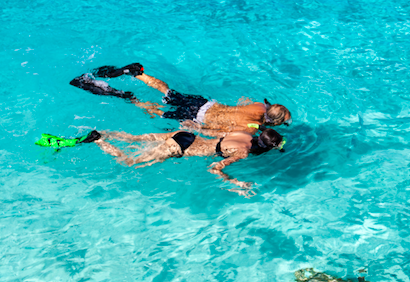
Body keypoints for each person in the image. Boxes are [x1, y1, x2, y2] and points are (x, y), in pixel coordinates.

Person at [36, 127, 286, 196]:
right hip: (179, 148)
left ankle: (100, 133)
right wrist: (235, 182)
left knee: (134, 138)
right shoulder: (243, 153)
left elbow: (213, 132)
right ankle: (99, 140)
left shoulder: (244, 133)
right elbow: (214, 167)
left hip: (184, 135)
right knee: (129, 162)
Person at [70, 63, 292, 134]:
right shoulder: (250, 128)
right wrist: (194, 129)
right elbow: (214, 131)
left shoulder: (256, 106)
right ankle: (126, 97)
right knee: (156, 110)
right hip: (197, 116)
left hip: (205, 103)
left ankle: (138, 73)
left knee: (168, 92)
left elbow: (244, 100)